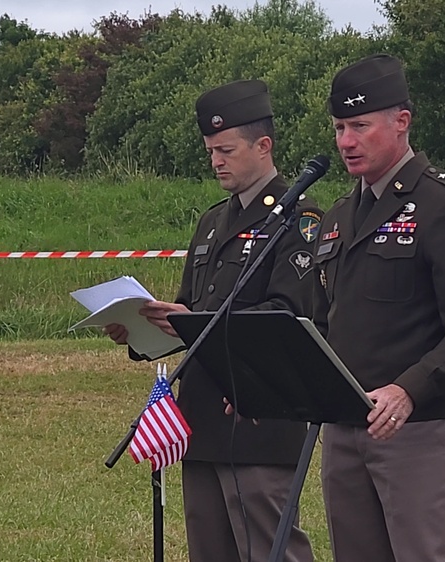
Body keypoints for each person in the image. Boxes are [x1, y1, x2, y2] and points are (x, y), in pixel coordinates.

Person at [105, 79, 319, 562]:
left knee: (270, 549)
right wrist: (140, 330)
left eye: (226, 149)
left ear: (263, 147)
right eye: (210, 151)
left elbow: (286, 316)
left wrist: (194, 321)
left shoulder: (300, 218)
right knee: (209, 550)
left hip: (257, 416)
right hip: (201, 417)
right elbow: (189, 311)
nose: (216, 160)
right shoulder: (211, 222)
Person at [311, 53, 445, 562]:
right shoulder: (337, 217)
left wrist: (407, 390)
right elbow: (321, 326)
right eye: (340, 127)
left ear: (401, 122)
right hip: (344, 429)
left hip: (414, 428)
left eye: (360, 126)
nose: (346, 141)